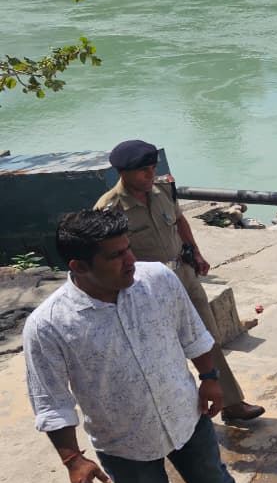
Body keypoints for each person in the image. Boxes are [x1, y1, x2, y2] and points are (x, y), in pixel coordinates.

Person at [24, 209, 271, 483]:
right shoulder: (48, 326)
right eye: (116, 255)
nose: (131, 260)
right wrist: (72, 459)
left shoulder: (157, 279)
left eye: (129, 248)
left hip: (186, 414)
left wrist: (210, 378)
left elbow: (192, 332)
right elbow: (50, 400)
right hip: (123, 442)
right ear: (79, 267)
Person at [96, 140, 265, 424]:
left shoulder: (162, 191)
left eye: (153, 168)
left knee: (207, 339)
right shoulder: (109, 208)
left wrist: (195, 252)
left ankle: (231, 403)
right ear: (122, 173)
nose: (150, 175)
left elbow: (179, 221)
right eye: (143, 171)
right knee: (163, 350)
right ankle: (176, 412)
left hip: (183, 275)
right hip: (145, 289)